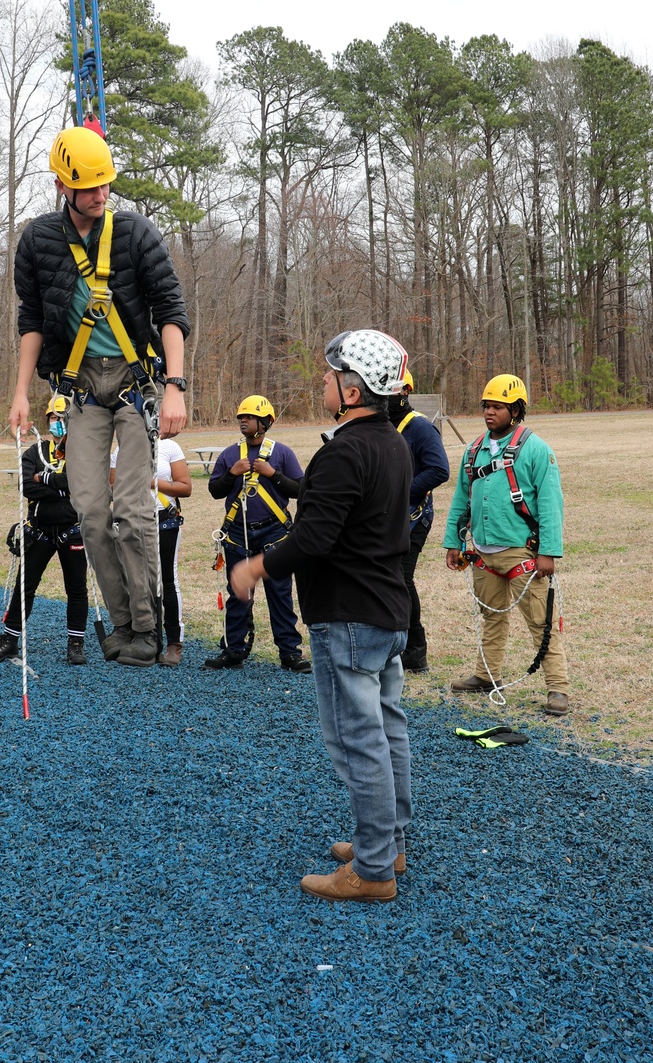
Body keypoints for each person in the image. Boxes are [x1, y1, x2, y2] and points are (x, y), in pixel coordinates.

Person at [230, 330, 413, 903]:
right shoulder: (391, 444)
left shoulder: (343, 450)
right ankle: (388, 843)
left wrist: (255, 567)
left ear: (353, 390)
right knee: (388, 729)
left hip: (350, 616)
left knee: (360, 740)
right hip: (387, 610)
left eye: (332, 375)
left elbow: (313, 538)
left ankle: (374, 869)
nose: (324, 382)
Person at [8, 126, 190, 670]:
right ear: (63, 184)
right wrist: (20, 392)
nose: (100, 194)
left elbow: (171, 312)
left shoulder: (136, 234)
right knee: (90, 512)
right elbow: (33, 320)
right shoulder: (39, 242)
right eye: (88, 187)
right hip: (82, 390)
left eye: (105, 185)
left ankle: (146, 627)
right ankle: (123, 624)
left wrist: (176, 387)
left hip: (137, 386)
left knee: (133, 512)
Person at [444, 373, 569, 716]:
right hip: (483, 552)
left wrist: (548, 552)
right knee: (491, 618)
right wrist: (453, 542)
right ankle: (486, 676)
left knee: (541, 622)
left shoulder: (537, 450)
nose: (489, 412)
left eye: (497, 407)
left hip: (522, 553)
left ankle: (557, 688)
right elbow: (461, 500)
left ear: (515, 410)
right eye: (486, 406)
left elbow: (550, 504)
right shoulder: (473, 451)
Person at [0, 397, 89, 667]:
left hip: (72, 530)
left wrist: (50, 480)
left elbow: (80, 483)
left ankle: (76, 643)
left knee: (76, 588)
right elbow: (27, 487)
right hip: (39, 530)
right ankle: (9, 639)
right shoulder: (35, 452)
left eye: (63, 418)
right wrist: (62, 487)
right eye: (54, 418)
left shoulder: (83, 451)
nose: (58, 423)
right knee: (25, 586)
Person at [205, 395, 310, 672]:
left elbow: (300, 490)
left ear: (265, 422)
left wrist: (272, 473)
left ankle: (289, 653)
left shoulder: (282, 453)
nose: (243, 421)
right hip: (237, 535)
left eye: (249, 417)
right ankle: (233, 650)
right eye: (241, 417)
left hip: (274, 534)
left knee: (280, 593)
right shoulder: (230, 454)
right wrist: (232, 473)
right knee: (238, 594)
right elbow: (215, 491)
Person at [110, 435, 192, 666]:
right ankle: (146, 637)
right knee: (138, 581)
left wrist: (150, 482)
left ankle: (174, 642)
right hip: (134, 522)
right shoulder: (121, 450)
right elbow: (114, 487)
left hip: (164, 521)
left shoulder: (169, 447)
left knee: (167, 580)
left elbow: (185, 487)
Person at [388, 369, 450, 673]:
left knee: (402, 577)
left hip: (414, 517)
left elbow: (439, 470)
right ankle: (394, 645)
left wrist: (400, 492)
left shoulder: (421, 429)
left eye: (392, 392)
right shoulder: (384, 426)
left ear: (405, 393)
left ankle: (414, 651)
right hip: (387, 517)